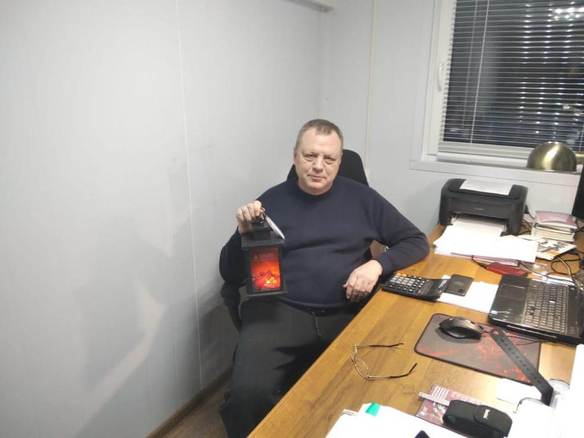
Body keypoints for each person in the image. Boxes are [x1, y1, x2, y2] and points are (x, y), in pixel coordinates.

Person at [219, 119, 429, 437]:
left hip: (347, 310)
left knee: (377, 388)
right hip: (280, 311)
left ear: (339, 162)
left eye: (329, 159)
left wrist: (376, 266)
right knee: (247, 396)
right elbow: (230, 272)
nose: (319, 166)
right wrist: (243, 234)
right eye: (310, 156)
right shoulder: (269, 202)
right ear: (295, 157)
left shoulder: (363, 199)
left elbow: (415, 240)